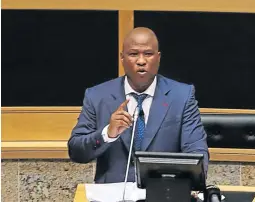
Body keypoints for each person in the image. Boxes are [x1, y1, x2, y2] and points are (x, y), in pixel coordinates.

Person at [68, 27, 209, 183]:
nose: (141, 61)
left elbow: (197, 152)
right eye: (133, 54)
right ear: (122, 58)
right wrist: (107, 133)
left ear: (158, 57)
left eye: (148, 54)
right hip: (112, 199)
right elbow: (76, 152)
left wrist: (190, 185)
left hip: (163, 195)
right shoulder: (97, 96)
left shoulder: (182, 96)